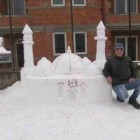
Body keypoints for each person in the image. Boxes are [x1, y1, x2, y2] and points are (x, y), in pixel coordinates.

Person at [103, 43, 140, 109]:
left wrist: (132, 76)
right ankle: (120, 96)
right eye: (117, 50)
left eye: (121, 50)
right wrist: (108, 76)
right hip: (117, 84)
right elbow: (105, 70)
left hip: (127, 82)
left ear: (123, 50)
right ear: (115, 51)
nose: (119, 52)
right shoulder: (110, 60)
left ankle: (133, 99)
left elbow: (134, 69)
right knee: (124, 97)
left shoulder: (128, 59)